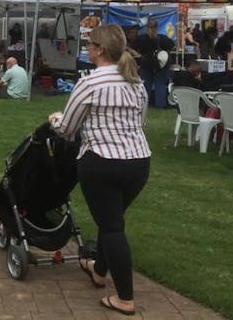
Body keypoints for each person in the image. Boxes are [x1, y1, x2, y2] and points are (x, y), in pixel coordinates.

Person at [51, 23, 151, 316]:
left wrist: (55, 118)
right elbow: (140, 124)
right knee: (112, 218)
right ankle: (98, 269)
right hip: (138, 162)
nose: (87, 49)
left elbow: (68, 130)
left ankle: (125, 298)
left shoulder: (90, 83)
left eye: (90, 45)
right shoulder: (136, 83)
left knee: (111, 226)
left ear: (100, 50)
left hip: (101, 161)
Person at [133, 20, 175, 108]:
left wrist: (139, 55)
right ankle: (160, 105)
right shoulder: (162, 38)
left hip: (146, 63)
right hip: (161, 64)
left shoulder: (141, 38)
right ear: (157, 28)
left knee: (146, 85)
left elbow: (132, 47)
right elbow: (172, 45)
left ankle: (145, 104)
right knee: (161, 85)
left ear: (147, 27)